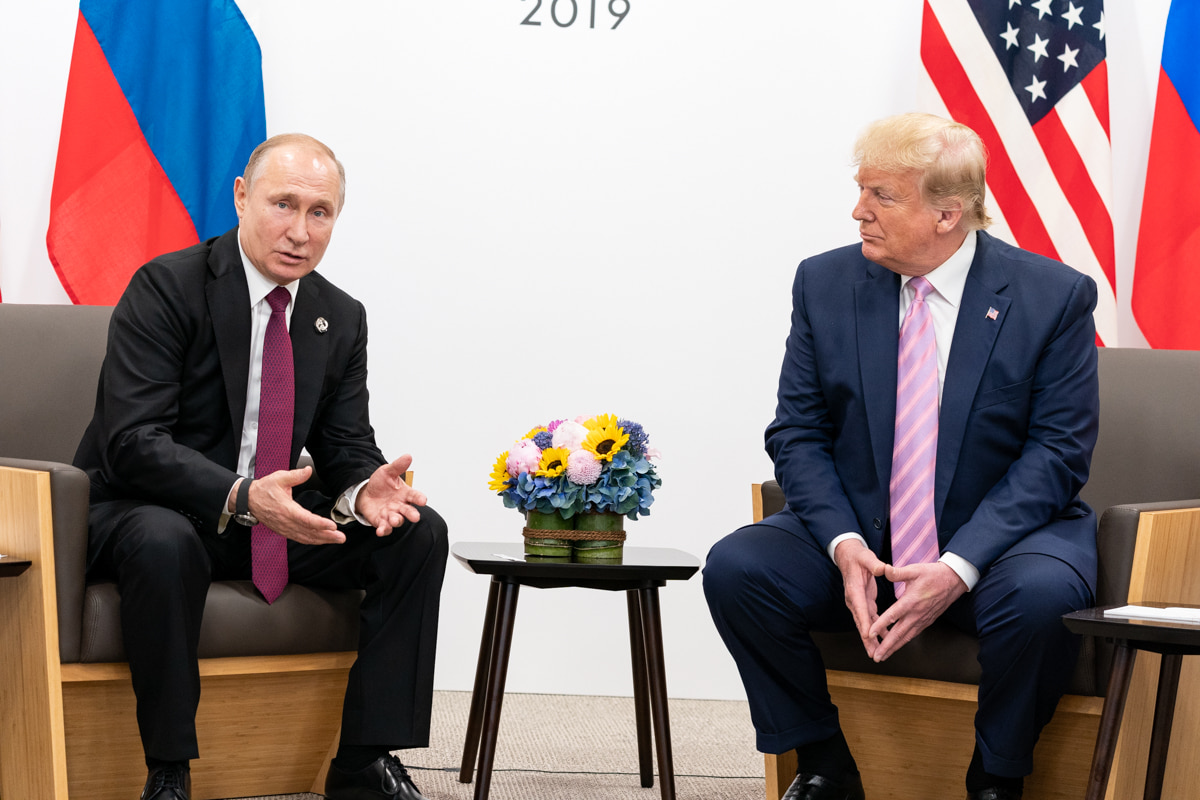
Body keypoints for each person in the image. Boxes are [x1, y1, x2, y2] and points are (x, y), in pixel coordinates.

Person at [703, 113, 1099, 800]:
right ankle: (826, 764)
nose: (858, 212)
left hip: (1002, 541)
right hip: (866, 532)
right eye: (862, 192)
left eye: (881, 196)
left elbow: (1058, 453)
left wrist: (958, 564)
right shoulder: (825, 284)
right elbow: (797, 433)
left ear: (948, 213)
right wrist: (842, 542)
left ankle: (997, 777)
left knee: (1044, 598)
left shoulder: (1052, 296)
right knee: (739, 569)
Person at [74, 133, 447, 800]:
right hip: (143, 510)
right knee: (165, 539)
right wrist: (244, 496)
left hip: (262, 523)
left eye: (320, 213)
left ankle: (361, 761)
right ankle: (169, 771)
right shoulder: (167, 287)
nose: (300, 232)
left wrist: (364, 491)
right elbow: (132, 442)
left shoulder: (339, 315)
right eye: (284, 204)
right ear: (242, 198)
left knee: (418, 532)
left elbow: (343, 446)